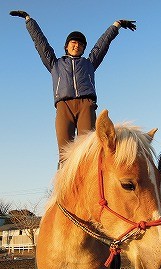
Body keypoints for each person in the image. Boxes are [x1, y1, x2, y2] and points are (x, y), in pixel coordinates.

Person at [9, 10, 136, 166]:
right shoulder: (55, 64)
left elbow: (102, 44)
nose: (77, 46)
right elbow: (41, 43)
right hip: (64, 107)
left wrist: (116, 25)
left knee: (88, 150)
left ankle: (88, 186)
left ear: (83, 49)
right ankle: (64, 188)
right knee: (65, 153)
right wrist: (29, 21)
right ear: (67, 46)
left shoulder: (89, 63)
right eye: (74, 43)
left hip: (86, 106)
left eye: (81, 44)